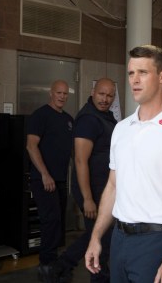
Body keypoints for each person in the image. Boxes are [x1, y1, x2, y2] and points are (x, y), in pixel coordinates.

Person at [85, 45, 162, 283]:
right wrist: (96, 236)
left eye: (143, 72)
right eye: (131, 73)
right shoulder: (122, 129)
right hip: (119, 240)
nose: (134, 80)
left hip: (155, 244)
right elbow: (112, 186)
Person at [57, 78, 117, 282]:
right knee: (103, 240)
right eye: (101, 94)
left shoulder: (106, 117)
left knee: (97, 235)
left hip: (104, 189)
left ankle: (61, 265)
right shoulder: (88, 120)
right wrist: (87, 198)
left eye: (109, 95)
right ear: (93, 92)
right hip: (92, 190)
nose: (105, 99)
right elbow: (80, 161)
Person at [26, 80, 74, 283]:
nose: (62, 96)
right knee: (50, 221)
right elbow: (31, 146)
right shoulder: (40, 115)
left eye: (65, 93)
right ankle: (46, 265)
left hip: (61, 180)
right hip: (43, 180)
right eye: (58, 93)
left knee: (59, 222)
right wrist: (45, 174)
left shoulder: (69, 120)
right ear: (51, 93)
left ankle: (54, 263)